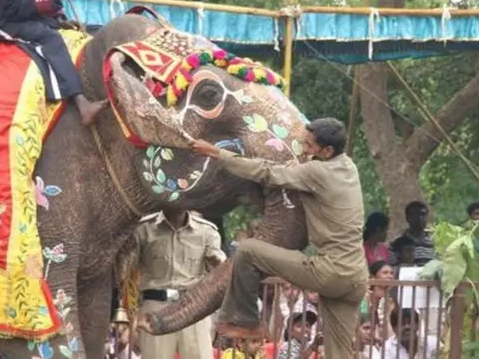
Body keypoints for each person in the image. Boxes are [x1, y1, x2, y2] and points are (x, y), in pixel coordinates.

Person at [184, 117, 368, 358]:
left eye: (309, 146)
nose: (304, 149)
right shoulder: (349, 167)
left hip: (330, 270)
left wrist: (216, 153)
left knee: (248, 250)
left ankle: (246, 320)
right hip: (356, 277)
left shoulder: (317, 172)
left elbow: (267, 173)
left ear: (328, 150)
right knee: (339, 354)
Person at [134, 209, 226, 359]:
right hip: (156, 306)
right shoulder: (143, 229)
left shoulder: (206, 231)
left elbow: (219, 263)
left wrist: (217, 262)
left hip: (194, 307)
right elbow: (128, 267)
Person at [372, 308, 438, 359]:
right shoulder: (387, 349)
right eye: (402, 324)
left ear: (418, 325)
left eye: (410, 322)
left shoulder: (433, 343)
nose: (407, 327)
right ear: (394, 329)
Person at [388, 201, 435, 267]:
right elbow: (391, 269)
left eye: (423, 214)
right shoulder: (396, 244)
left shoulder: (434, 243)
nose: (420, 218)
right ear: (407, 218)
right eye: (416, 215)